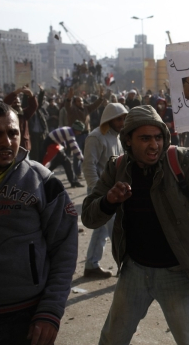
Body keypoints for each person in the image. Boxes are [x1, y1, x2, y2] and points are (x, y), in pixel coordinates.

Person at [81, 105, 189, 344]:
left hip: (176, 273)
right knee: (112, 338)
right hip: (134, 271)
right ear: (129, 140)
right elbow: (89, 217)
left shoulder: (181, 161)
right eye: (145, 138)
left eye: (157, 138)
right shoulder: (117, 167)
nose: (153, 145)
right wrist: (109, 200)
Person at [0, 100, 77, 345]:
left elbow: (64, 249)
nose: (7, 142)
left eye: (13, 133)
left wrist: (50, 311)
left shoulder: (43, 182)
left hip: (25, 320)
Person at [82, 103, 128, 279]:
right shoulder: (96, 137)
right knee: (115, 229)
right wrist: (97, 192)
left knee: (101, 229)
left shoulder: (117, 137)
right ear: (109, 119)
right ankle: (125, 268)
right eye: (119, 119)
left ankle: (91, 265)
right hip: (101, 191)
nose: (122, 122)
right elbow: (88, 166)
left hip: (113, 190)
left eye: (124, 118)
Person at [42, 121, 86, 188]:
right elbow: (75, 147)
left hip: (53, 143)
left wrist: (64, 144)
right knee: (64, 162)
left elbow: (62, 136)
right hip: (51, 144)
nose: (79, 133)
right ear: (76, 129)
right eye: (79, 131)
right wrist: (82, 159)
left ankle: (42, 177)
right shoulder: (70, 133)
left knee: (59, 163)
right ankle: (73, 182)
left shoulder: (68, 129)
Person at [3, 85, 37, 154]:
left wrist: (30, 95)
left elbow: (34, 106)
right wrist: (16, 92)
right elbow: (5, 103)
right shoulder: (7, 114)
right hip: (11, 145)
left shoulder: (24, 114)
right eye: (14, 103)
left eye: (18, 102)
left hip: (23, 145)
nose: (17, 104)